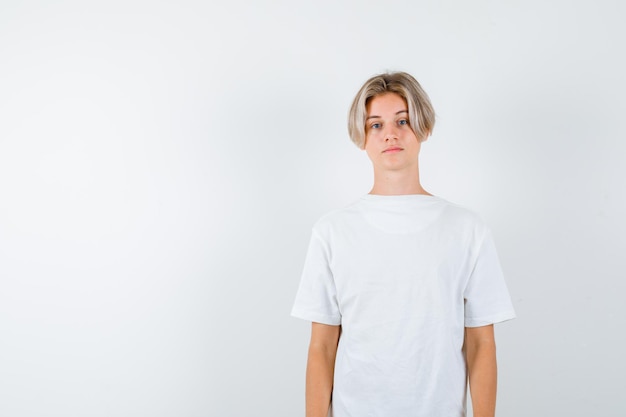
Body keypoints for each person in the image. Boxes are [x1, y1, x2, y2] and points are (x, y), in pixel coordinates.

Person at [291, 71, 516, 417]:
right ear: (362, 137)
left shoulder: (467, 229)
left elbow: (481, 342)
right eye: (376, 125)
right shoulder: (332, 232)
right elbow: (321, 346)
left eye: (403, 120)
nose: (391, 134)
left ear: (423, 128)